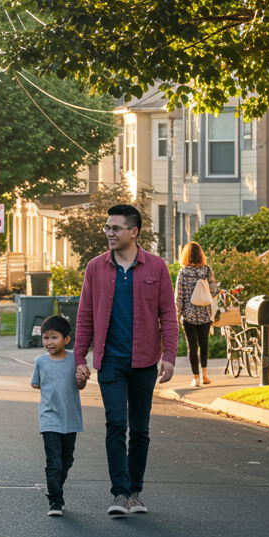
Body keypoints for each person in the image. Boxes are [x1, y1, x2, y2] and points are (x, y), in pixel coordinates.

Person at [73, 204, 177, 517]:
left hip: (145, 361)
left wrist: (169, 356)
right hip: (111, 362)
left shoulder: (156, 267)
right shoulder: (96, 267)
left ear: (133, 232)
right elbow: (85, 315)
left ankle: (135, 492)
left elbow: (168, 315)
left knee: (140, 428)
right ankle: (119, 493)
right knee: (116, 423)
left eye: (116, 228)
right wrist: (80, 356)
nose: (109, 233)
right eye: (107, 227)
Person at [30, 315, 84, 517]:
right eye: (45, 338)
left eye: (54, 337)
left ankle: (55, 487)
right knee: (53, 461)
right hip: (49, 418)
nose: (49, 342)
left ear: (66, 339)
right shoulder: (40, 362)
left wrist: (82, 379)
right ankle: (55, 500)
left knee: (66, 460)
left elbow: (80, 385)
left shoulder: (74, 359)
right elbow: (36, 383)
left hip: (71, 418)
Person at [175, 242, 218, 387]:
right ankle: (205, 375)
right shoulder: (207, 270)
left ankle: (196, 378)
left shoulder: (183, 272)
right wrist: (220, 291)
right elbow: (212, 291)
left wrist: (177, 315)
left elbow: (179, 297)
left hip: (188, 316)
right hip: (205, 313)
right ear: (201, 255)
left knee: (192, 347)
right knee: (204, 344)